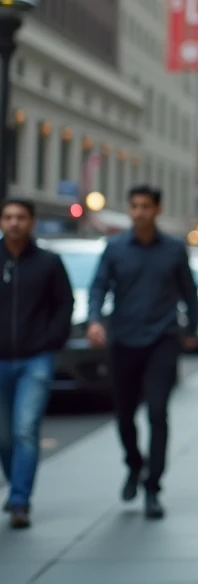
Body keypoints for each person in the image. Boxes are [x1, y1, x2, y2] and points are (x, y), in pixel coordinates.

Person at [87, 185, 198, 520]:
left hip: (162, 339)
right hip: (123, 340)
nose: (139, 212)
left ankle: (153, 488)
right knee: (124, 416)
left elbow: (188, 291)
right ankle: (134, 464)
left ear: (157, 209)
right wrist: (95, 319)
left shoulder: (174, 249)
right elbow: (98, 286)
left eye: (146, 206)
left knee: (157, 413)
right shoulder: (115, 247)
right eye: (134, 206)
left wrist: (192, 328)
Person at [0, 200, 72, 529]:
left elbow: (64, 305)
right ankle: (16, 483)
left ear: (31, 222)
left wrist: (50, 341)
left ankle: (19, 500)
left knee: (25, 429)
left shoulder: (48, 262)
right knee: (4, 436)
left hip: (35, 359)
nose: (14, 223)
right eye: (8, 217)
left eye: (20, 217)